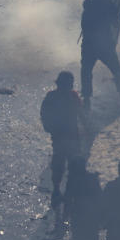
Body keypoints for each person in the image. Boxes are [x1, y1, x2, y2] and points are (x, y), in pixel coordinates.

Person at [79, 0, 120, 109]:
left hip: (90, 44)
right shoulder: (105, 5)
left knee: (86, 71)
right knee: (116, 70)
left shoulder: (89, 4)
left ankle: (86, 98)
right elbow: (117, 19)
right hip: (103, 44)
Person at [40, 71, 84, 208]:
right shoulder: (57, 97)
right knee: (62, 164)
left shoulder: (64, 97)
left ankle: (64, 191)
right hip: (63, 136)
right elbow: (45, 115)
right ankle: (60, 190)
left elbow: (81, 114)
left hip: (68, 136)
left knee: (68, 164)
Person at [63, 156, 101, 240]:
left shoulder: (72, 180)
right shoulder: (93, 178)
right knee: (93, 238)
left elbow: (68, 199)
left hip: (78, 216)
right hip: (92, 215)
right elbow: (100, 198)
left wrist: (65, 216)